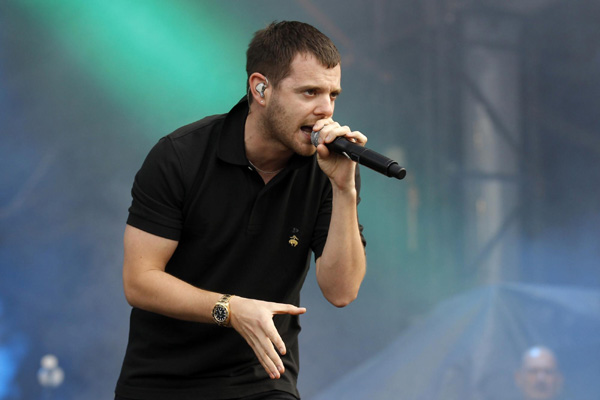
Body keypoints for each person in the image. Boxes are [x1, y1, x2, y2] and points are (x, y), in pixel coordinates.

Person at [114, 21, 367, 400]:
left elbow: (342, 291)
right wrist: (230, 310)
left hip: (261, 381)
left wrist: (344, 189)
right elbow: (139, 280)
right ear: (261, 88)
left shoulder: (329, 170)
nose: (325, 110)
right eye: (310, 92)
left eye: (333, 94)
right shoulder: (180, 156)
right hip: (161, 381)